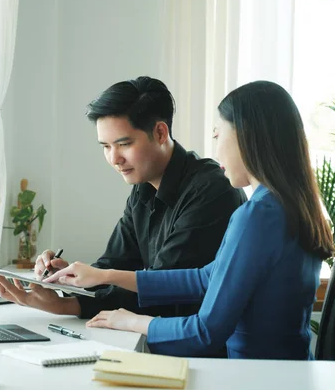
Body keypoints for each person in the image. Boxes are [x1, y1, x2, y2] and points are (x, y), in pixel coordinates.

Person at [43, 80, 334, 360]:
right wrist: (104, 276)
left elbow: (206, 331)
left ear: (248, 137)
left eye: (218, 134)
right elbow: (205, 277)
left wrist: (130, 322)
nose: (216, 148)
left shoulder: (258, 214)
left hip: (255, 377)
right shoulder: (285, 205)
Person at [0, 77, 246, 322]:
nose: (114, 159)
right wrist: (65, 275)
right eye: (105, 146)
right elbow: (113, 266)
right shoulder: (143, 187)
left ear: (160, 132)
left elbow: (166, 289)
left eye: (123, 144)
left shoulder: (211, 190)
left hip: (201, 348)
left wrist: (67, 304)